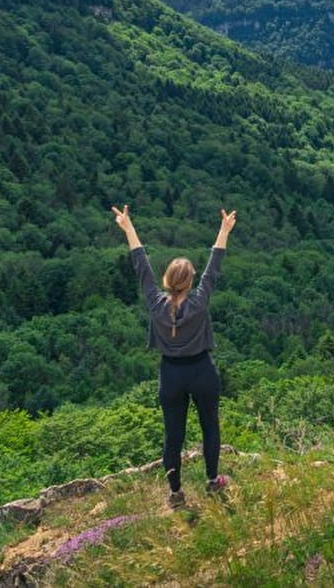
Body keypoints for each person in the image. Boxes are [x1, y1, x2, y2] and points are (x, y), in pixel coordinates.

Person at [112, 204, 237, 509]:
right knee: (210, 426)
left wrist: (128, 228)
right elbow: (213, 267)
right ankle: (213, 481)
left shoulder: (156, 304)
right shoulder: (198, 302)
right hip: (202, 370)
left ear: (167, 280)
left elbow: (141, 265)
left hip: (171, 374)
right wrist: (223, 230)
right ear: (190, 282)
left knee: (173, 436)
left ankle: (176, 493)